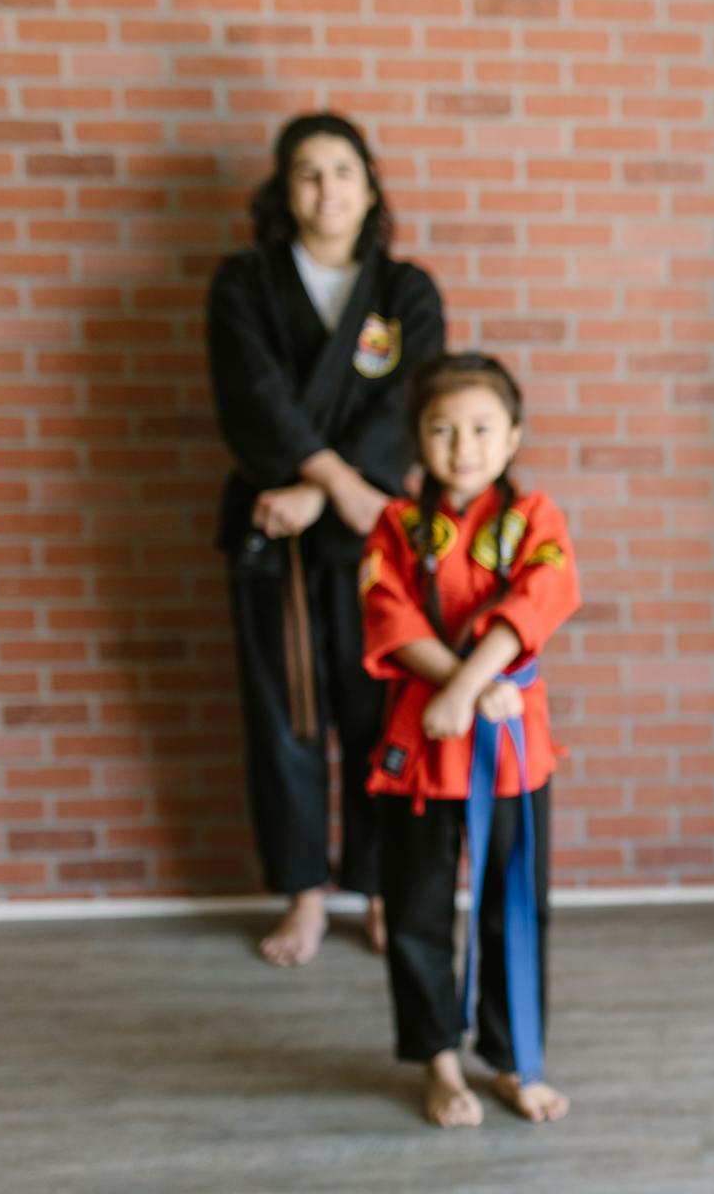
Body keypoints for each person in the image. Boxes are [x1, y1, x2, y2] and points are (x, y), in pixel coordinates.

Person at [206, 111, 444, 966]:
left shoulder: (405, 291)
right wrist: (329, 485)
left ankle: (378, 890)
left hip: (371, 535)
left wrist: (332, 492)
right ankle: (305, 895)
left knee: (380, 712)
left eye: (343, 170)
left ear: (371, 187)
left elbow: (410, 400)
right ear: (284, 190)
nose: (327, 189)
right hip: (276, 531)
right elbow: (251, 394)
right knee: (285, 717)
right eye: (307, 172)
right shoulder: (244, 283)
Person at [360, 353, 580, 1127]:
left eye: (483, 428)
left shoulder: (534, 517)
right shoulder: (394, 525)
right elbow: (389, 616)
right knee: (416, 912)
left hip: (508, 742)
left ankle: (516, 1060)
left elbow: (541, 597)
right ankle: (440, 1063)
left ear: (513, 436)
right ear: (417, 437)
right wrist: (459, 687)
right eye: (443, 429)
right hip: (423, 747)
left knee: (513, 907)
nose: (463, 447)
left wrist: (470, 686)